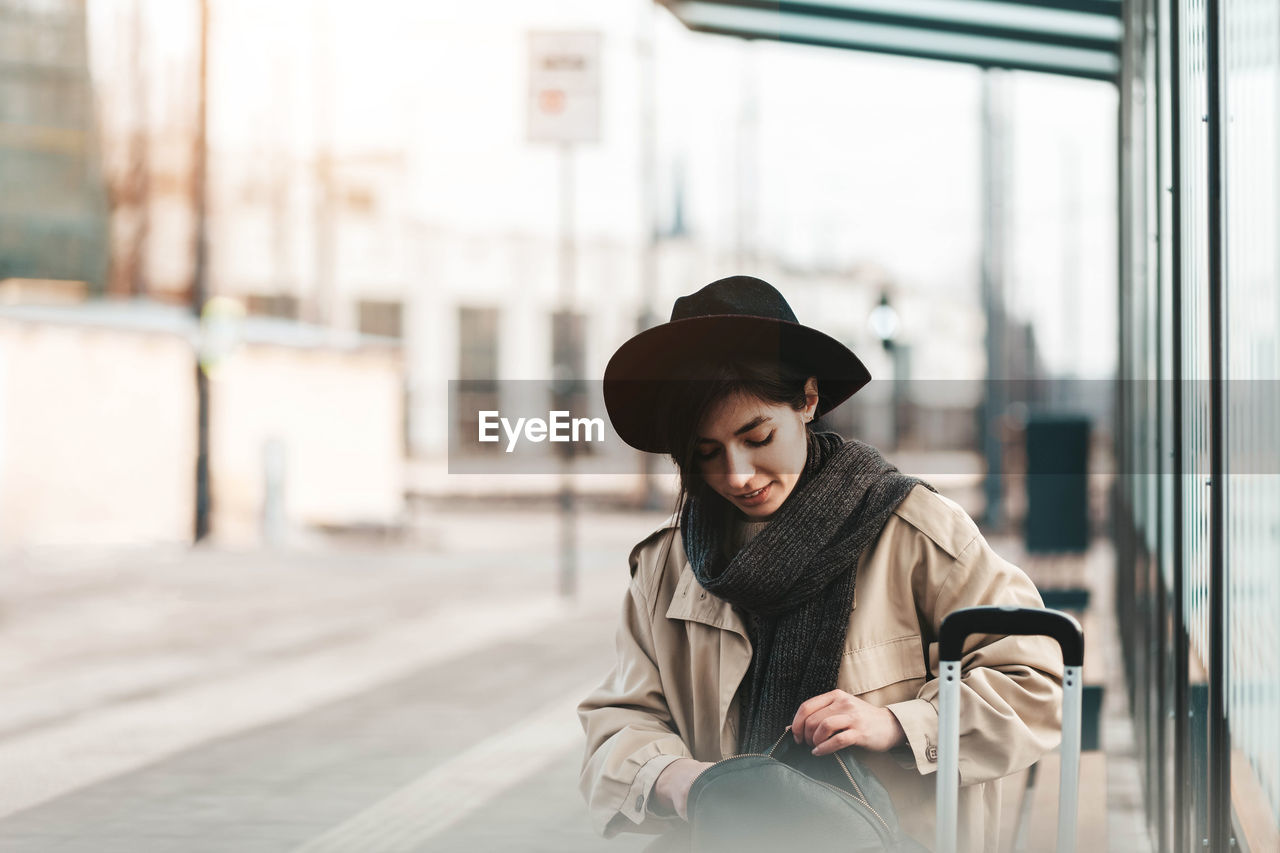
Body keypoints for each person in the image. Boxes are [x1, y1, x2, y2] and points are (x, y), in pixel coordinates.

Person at [578, 276, 1063, 853]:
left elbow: (1035, 679)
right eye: (705, 454)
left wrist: (898, 725)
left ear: (807, 400)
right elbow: (619, 722)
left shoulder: (913, 531)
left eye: (757, 436)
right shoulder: (666, 565)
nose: (736, 474)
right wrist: (684, 784)